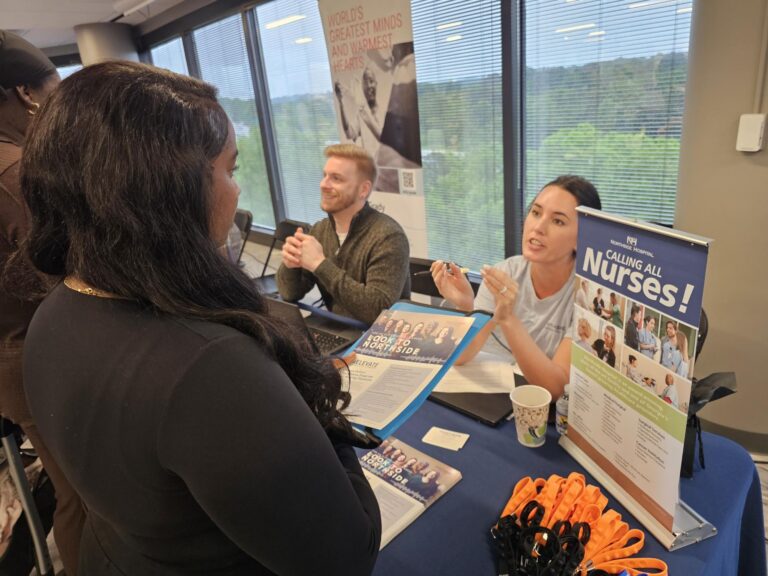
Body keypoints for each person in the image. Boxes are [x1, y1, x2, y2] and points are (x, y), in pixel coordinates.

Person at [20, 61, 381, 575]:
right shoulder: (211, 368)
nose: (237, 193)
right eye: (230, 170)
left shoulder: (56, 312)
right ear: (169, 189)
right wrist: (318, 419)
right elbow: (345, 555)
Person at [0, 30, 85, 575]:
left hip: (14, 359)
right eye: (55, 88)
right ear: (29, 94)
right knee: (86, 497)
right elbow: (66, 278)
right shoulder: (18, 173)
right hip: (35, 358)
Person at [431, 175, 601, 399]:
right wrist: (465, 306)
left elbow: (557, 387)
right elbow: (461, 357)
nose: (538, 227)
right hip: (490, 396)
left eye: (558, 221)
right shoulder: (506, 272)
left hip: (538, 406)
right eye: (536, 212)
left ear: (583, 238)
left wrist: (508, 319)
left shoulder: (586, 296)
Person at [276, 143, 410, 325]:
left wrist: (319, 264)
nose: (323, 185)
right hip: (338, 330)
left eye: (336, 178)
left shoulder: (388, 236)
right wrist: (290, 265)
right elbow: (289, 293)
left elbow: (378, 311)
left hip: (377, 339)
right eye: (325, 176)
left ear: (363, 189)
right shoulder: (319, 230)